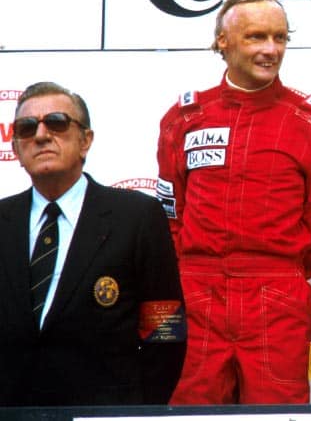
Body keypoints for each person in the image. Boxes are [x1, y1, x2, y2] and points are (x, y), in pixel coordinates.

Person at [156, 0, 311, 404]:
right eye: (257, 37)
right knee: (189, 411)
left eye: (280, 38)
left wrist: (274, 274)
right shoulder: (183, 120)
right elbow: (170, 217)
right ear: (222, 42)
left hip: (277, 294)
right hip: (196, 292)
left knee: (275, 416)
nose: (271, 50)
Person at [0, 82, 185, 406]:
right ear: (15, 148)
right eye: (27, 128)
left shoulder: (137, 216)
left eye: (56, 122)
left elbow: (165, 332)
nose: (41, 135)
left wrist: (137, 411)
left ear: (85, 140)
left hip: (104, 412)